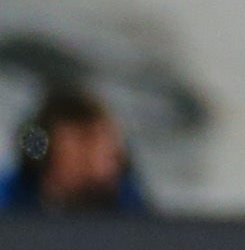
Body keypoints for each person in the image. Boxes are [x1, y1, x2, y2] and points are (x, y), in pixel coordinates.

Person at [3, 83, 149, 215]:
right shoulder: (9, 200)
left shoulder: (133, 209)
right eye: (84, 140)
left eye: (108, 148)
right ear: (42, 152)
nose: (99, 158)